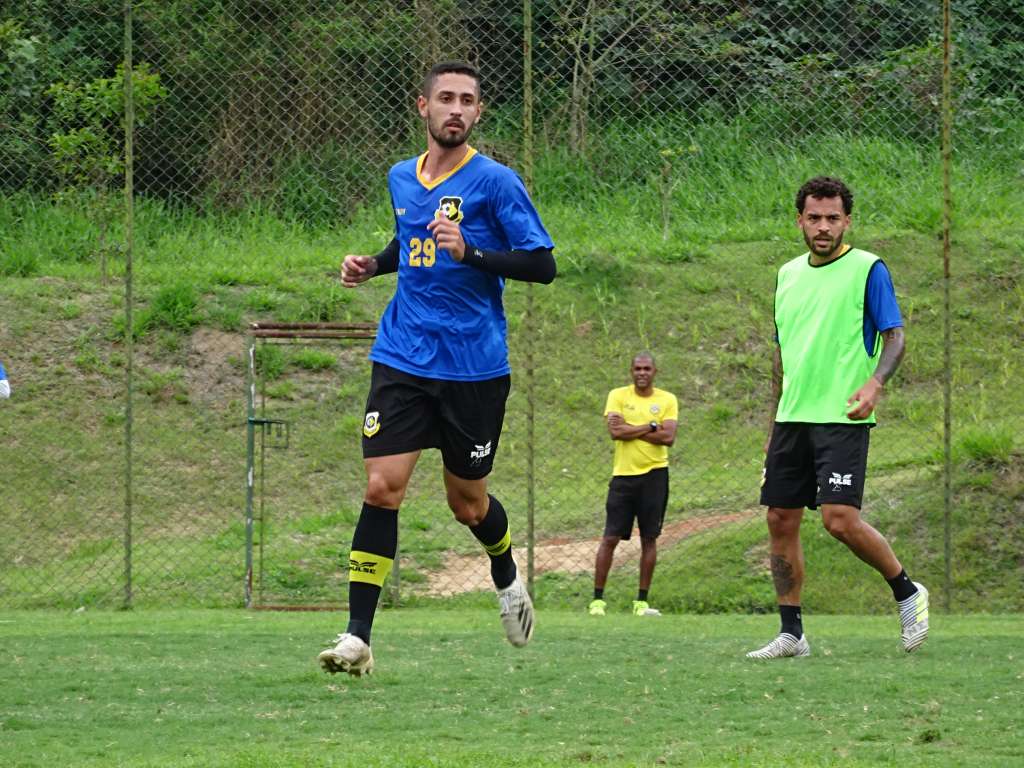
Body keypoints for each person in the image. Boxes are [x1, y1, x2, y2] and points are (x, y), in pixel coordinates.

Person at [318, 61, 556, 676]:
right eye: (444, 98)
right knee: (381, 487)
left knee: (468, 505)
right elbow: (411, 239)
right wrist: (374, 265)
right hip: (402, 354)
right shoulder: (402, 176)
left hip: (473, 367)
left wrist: (472, 251)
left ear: (478, 113)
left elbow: (541, 264)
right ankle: (357, 637)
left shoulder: (497, 182)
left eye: (467, 100)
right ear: (421, 107)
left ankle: (504, 568)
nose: (456, 108)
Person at [747, 176, 928, 659]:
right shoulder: (786, 275)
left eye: (832, 218)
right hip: (792, 418)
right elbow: (782, 358)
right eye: (814, 218)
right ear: (800, 221)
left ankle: (907, 592)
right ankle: (792, 633)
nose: (823, 227)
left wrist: (875, 384)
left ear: (847, 221)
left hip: (842, 417)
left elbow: (895, 336)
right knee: (780, 518)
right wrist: (772, 427)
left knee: (839, 521)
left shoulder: (868, 269)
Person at [589, 353, 677, 617]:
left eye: (647, 368)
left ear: (655, 371)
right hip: (623, 476)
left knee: (649, 538)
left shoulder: (667, 399)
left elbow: (669, 437)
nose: (642, 373)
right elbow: (615, 432)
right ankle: (597, 600)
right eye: (637, 368)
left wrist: (633, 428)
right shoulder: (618, 396)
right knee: (610, 537)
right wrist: (651, 426)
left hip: (655, 475)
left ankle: (641, 601)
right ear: (631, 371)